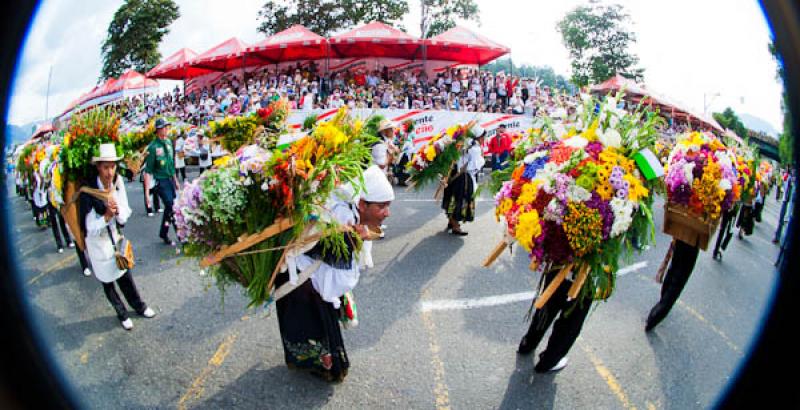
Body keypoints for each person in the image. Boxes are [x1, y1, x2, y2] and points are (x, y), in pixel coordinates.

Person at [274, 165, 393, 382]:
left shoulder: (352, 214)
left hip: (313, 277)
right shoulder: (340, 217)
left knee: (317, 325)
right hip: (302, 280)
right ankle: (320, 365)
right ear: (362, 204)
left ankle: (320, 363)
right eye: (382, 206)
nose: (387, 213)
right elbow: (334, 261)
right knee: (309, 326)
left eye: (388, 206)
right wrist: (356, 239)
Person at [79, 143, 156, 330]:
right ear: (98, 167)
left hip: (115, 237)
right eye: (105, 167)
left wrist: (117, 212)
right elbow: (89, 227)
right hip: (98, 243)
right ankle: (121, 313)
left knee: (125, 273)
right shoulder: (88, 191)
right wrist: (106, 216)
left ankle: (139, 306)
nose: (110, 172)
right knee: (107, 281)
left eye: (112, 166)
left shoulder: (117, 182)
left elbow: (126, 210)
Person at [645, 240, 700, 331]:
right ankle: (655, 316)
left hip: (681, 235)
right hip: (694, 240)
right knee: (679, 280)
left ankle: (660, 305)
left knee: (673, 268)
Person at [442, 125, 486, 236]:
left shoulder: (462, 145)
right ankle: (456, 225)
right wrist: (482, 158)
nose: (483, 140)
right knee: (460, 200)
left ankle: (451, 221)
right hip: (464, 178)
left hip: (454, 175)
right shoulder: (474, 149)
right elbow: (474, 166)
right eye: (482, 137)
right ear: (477, 137)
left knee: (452, 198)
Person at [143, 118, 180, 246]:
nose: (166, 129)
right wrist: (147, 193)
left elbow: (171, 164)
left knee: (171, 207)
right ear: (158, 130)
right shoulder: (153, 147)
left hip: (169, 179)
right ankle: (181, 234)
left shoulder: (169, 143)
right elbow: (148, 171)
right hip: (160, 181)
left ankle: (164, 232)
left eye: (167, 127)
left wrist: (175, 180)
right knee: (170, 205)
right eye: (164, 127)